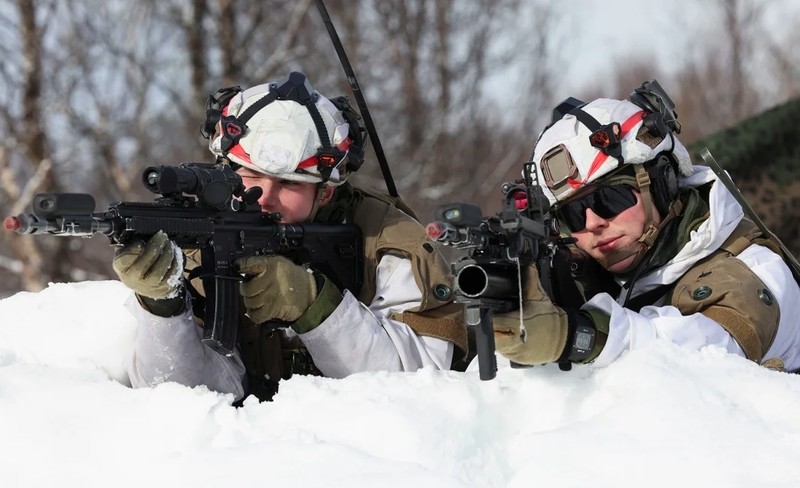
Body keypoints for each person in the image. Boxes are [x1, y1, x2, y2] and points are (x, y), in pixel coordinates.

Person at [113, 72, 467, 402]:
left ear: (326, 192)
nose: (265, 198)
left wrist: (315, 305)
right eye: (250, 176)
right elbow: (183, 397)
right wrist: (164, 308)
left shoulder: (388, 240)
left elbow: (421, 386)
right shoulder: (206, 239)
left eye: (289, 184)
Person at [492, 81, 800, 372]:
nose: (593, 222)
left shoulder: (756, 270)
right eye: (573, 214)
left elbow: (711, 352)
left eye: (610, 199)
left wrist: (577, 335)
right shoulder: (610, 275)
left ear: (662, 184)